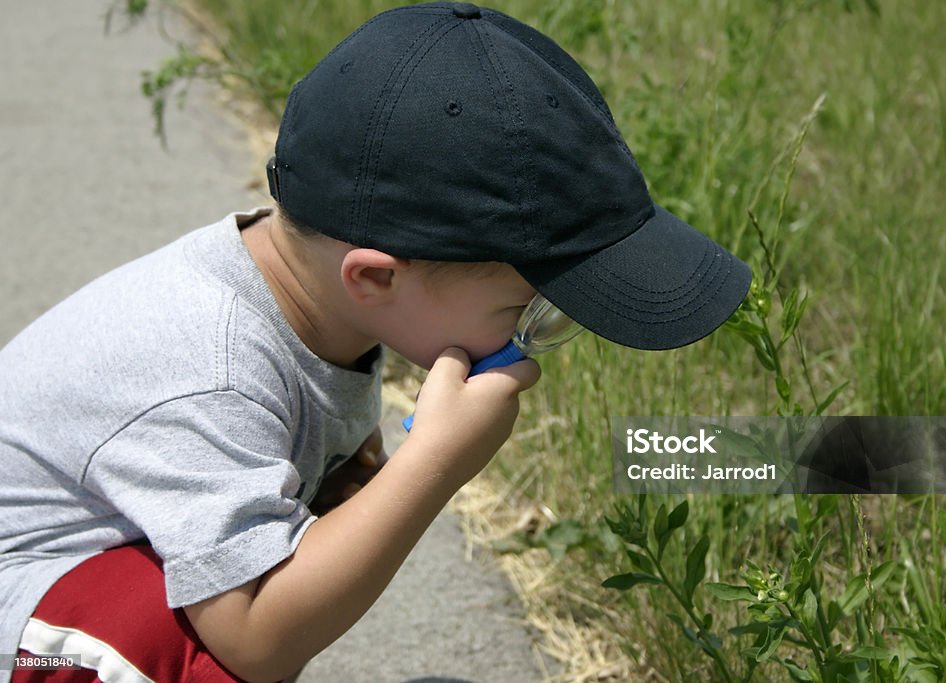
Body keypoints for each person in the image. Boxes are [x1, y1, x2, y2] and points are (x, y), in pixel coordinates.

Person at [0, 3, 751, 681]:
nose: (531, 344)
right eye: (527, 310)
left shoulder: (320, 299)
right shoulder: (213, 371)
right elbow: (256, 639)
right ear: (377, 276)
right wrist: (434, 465)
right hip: (24, 609)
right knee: (167, 643)